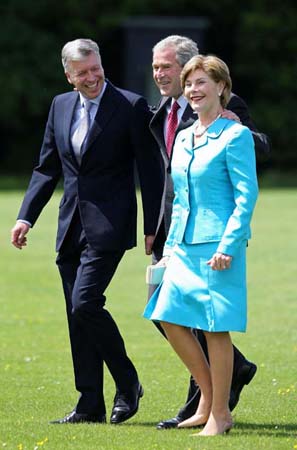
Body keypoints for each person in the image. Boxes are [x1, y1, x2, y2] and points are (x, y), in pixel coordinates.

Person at [11, 38, 163, 424]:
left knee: (86, 303)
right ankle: (89, 403)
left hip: (111, 223)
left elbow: (149, 169)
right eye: (83, 73)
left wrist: (152, 228)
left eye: (96, 68)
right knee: (76, 316)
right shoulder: (60, 106)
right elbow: (47, 167)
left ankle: (128, 383)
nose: (93, 77)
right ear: (69, 76)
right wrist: (26, 216)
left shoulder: (130, 106)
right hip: (70, 225)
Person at [149, 35, 269, 430]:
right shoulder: (184, 137)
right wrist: (168, 247)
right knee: (166, 316)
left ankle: (219, 413)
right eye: (189, 83)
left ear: (221, 87)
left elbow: (245, 197)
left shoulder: (235, 136)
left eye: (202, 82)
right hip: (183, 246)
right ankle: (207, 400)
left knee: (215, 329)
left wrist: (228, 245)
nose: (193, 90)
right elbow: (180, 199)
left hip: (219, 248)